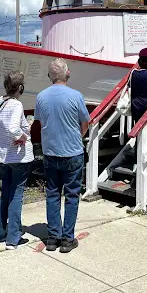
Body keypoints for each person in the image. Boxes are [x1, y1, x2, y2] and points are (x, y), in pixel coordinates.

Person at [34, 58, 90, 254]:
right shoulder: (76, 96)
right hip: (72, 151)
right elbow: (85, 123)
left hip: (51, 151)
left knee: (52, 194)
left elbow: (41, 123)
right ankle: (67, 239)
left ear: (50, 76)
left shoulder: (41, 97)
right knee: (72, 195)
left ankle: (52, 237)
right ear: (68, 74)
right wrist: (77, 137)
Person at [0, 71, 33, 249]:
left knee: (6, 193)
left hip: (2, 156)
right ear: (20, 87)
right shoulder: (16, 105)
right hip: (18, 157)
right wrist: (22, 136)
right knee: (16, 195)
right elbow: (13, 128)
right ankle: (13, 237)